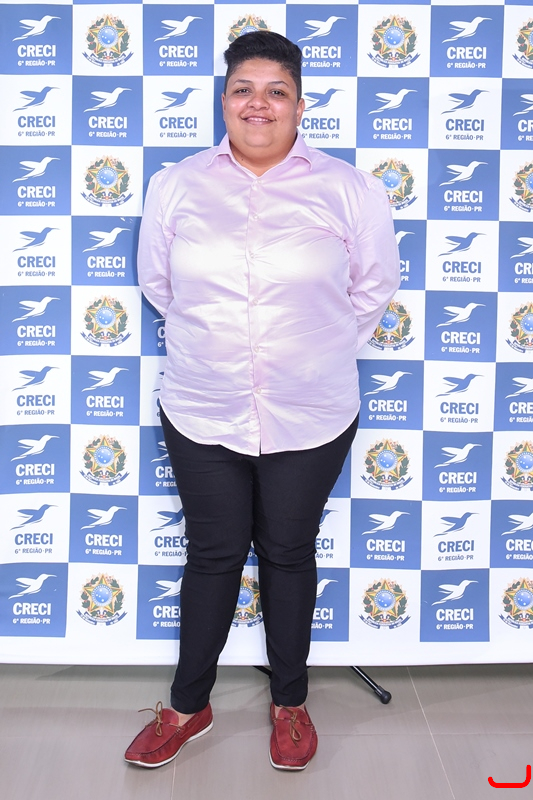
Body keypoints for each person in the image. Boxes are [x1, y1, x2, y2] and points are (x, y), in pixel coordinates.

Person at [125, 30, 400, 772]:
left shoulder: (350, 189)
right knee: (212, 554)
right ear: (223, 101)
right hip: (201, 403)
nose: (259, 104)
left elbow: (374, 286)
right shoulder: (176, 185)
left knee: (288, 551)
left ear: (299, 105)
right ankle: (188, 706)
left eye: (276, 91)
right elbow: (160, 285)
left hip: (311, 410)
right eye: (243, 89)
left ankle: (290, 703)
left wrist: (312, 346)